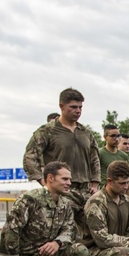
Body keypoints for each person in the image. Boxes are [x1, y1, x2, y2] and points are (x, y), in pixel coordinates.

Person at [0, 161, 88, 256]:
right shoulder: (29, 200)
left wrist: (57, 243)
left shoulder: (65, 204)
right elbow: (10, 231)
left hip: (47, 255)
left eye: (70, 179)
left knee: (80, 251)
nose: (69, 183)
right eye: (65, 179)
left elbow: (69, 230)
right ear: (50, 178)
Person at [23, 88, 101, 229]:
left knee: (92, 232)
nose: (78, 111)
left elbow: (94, 158)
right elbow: (30, 157)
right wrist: (43, 182)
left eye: (80, 107)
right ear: (61, 106)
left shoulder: (86, 133)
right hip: (62, 191)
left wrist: (95, 183)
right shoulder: (47, 131)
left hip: (86, 191)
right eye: (73, 107)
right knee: (64, 232)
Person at [98, 124, 129, 188]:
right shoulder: (99, 153)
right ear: (105, 137)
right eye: (113, 136)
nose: (116, 139)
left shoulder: (123, 156)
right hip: (104, 190)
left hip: (120, 190)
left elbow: (127, 177)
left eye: (118, 136)